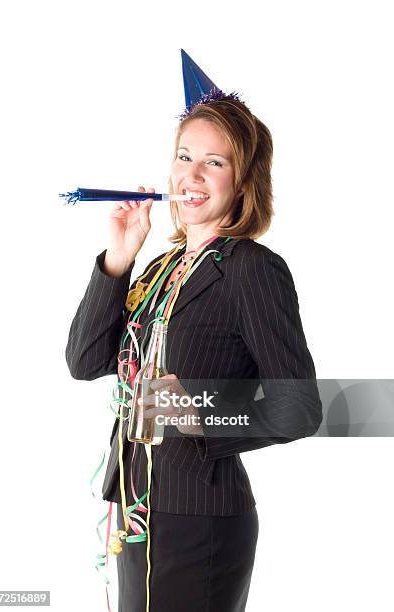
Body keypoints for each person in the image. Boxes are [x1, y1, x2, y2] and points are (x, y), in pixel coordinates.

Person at [65, 53, 322, 612]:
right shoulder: (159, 268)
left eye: (215, 162)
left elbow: (299, 408)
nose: (193, 175)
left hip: (200, 521)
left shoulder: (252, 267)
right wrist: (119, 256)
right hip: (135, 509)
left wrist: (196, 414)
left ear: (244, 179)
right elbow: (85, 361)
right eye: (184, 157)